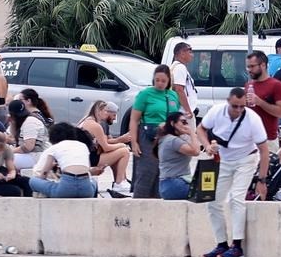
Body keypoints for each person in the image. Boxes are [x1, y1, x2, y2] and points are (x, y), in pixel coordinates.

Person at [198, 86, 272, 257]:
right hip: (223, 160)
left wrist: (262, 179)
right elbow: (200, 129)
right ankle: (221, 243)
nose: (238, 110)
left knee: (236, 197)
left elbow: (264, 150)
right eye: (235, 106)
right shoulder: (216, 112)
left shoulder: (253, 119)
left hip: (246, 159)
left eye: (241, 106)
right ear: (228, 103)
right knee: (213, 201)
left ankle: (237, 246)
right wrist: (207, 146)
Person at [130, 64, 181, 199]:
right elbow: (134, 119)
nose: (160, 83)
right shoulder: (145, 94)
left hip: (168, 137)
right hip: (149, 135)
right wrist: (134, 142)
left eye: (163, 81)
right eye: (157, 80)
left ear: (169, 81)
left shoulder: (173, 95)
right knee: (147, 171)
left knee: (162, 172)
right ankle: (139, 201)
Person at [28, 122, 99, 198]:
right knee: (94, 182)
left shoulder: (54, 147)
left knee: (33, 181)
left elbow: (43, 173)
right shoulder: (83, 146)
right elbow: (87, 171)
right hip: (87, 190)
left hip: (64, 190)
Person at [78, 100, 133, 195]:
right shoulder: (96, 126)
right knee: (124, 151)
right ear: (98, 111)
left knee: (118, 152)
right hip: (90, 157)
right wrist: (122, 144)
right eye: (105, 111)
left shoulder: (85, 121)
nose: (106, 113)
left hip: (84, 155)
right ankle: (119, 183)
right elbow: (106, 147)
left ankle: (120, 180)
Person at [156, 111, 205, 201]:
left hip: (167, 185)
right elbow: (196, 151)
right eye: (183, 122)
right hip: (174, 184)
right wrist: (191, 133)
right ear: (172, 123)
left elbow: (197, 145)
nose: (186, 125)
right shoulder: (173, 141)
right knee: (208, 193)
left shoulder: (167, 138)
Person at [9, 95, 49, 174]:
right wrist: (12, 123)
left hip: (36, 155)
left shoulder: (30, 122)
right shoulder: (23, 120)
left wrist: (10, 151)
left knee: (3, 160)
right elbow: (14, 139)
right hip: (30, 154)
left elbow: (28, 147)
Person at [168, 42, 198, 122]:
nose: (192, 55)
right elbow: (179, 90)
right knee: (189, 134)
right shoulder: (180, 68)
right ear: (182, 54)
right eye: (190, 52)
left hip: (181, 112)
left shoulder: (176, 67)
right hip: (183, 113)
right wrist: (188, 111)